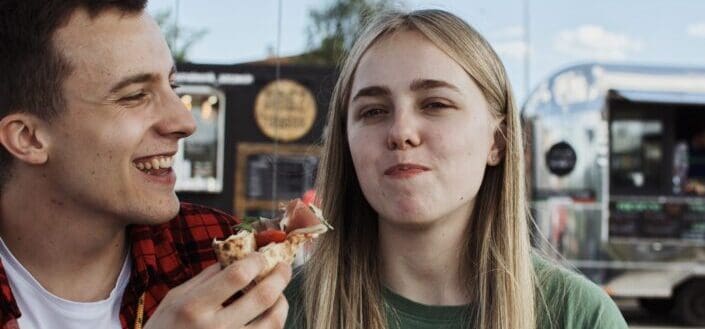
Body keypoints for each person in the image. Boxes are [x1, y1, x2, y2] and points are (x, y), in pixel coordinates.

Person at [284, 9, 628, 329]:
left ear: (497, 141)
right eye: (373, 111)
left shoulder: (579, 316)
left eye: (436, 104)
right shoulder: (282, 312)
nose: (401, 132)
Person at [0, 1, 290, 328]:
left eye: (172, 85)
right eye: (135, 95)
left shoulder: (220, 253)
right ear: (28, 138)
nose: (185, 122)